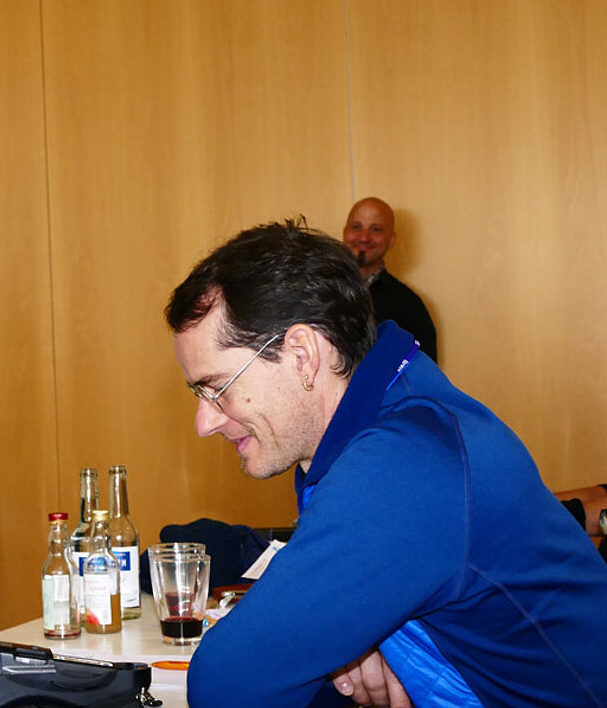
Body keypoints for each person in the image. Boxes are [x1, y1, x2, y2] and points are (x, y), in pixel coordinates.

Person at [166, 219, 607, 708]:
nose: (205, 422)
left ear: (303, 355)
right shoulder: (389, 410)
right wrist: (355, 640)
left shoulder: (402, 463)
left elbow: (225, 684)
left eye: (218, 388)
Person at [343, 196, 438, 361]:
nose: (364, 237)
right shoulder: (318, 289)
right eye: (356, 227)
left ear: (391, 240)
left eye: (376, 229)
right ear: (345, 233)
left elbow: (422, 372)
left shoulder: (409, 306)